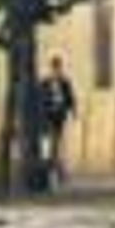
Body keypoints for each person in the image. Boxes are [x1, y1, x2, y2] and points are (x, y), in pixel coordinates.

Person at [37, 54, 78, 185]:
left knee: (57, 144)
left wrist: (73, 112)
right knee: (47, 146)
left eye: (58, 68)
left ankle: (56, 173)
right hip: (46, 118)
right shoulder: (44, 83)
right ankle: (47, 172)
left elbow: (71, 98)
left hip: (59, 117)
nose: (57, 71)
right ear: (51, 69)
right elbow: (40, 100)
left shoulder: (65, 83)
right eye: (55, 68)